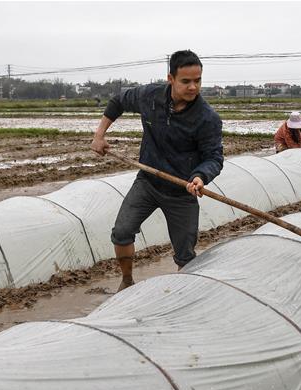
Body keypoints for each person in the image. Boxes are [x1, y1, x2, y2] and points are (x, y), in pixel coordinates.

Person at [91, 50, 224, 292]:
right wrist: (99, 135)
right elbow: (118, 101)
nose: (193, 87)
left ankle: (184, 296)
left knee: (185, 256)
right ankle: (127, 280)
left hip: (182, 192)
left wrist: (199, 176)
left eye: (198, 80)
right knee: (121, 232)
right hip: (148, 182)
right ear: (170, 79)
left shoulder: (207, 118)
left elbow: (214, 157)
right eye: (186, 81)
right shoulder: (150, 97)